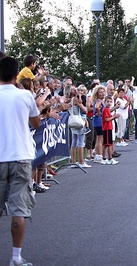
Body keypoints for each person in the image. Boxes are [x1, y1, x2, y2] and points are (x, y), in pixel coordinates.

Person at [0, 56, 41, 266]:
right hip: (20, 155)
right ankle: (16, 257)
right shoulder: (25, 96)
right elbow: (36, 123)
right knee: (19, 209)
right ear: (17, 74)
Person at [101, 96, 120, 165]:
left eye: (110, 102)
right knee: (109, 144)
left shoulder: (107, 110)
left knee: (106, 144)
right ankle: (109, 158)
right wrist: (114, 117)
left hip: (108, 128)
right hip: (106, 128)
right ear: (104, 102)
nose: (109, 103)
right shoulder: (105, 109)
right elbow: (106, 119)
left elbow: (109, 115)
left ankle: (104, 158)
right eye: (107, 101)